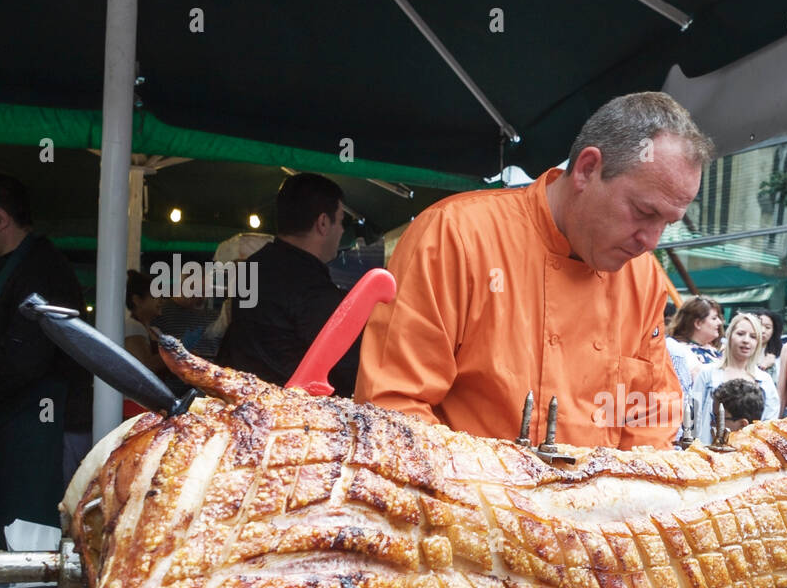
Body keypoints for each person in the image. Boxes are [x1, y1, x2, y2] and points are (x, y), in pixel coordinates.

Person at [357, 93, 712, 449]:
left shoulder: (645, 278)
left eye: (667, 223)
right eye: (643, 212)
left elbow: (649, 419)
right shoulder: (455, 236)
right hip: (468, 499)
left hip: (602, 500)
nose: (651, 241)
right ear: (588, 169)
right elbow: (392, 410)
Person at [0, 174, 86, 540]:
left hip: (45, 421)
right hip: (22, 420)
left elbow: (25, 359)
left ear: (0, 219)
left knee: (34, 541)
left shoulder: (40, 267)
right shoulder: (15, 263)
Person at [221, 173, 358, 396]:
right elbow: (347, 366)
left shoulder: (253, 266)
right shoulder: (311, 285)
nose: (342, 230)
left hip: (240, 399)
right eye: (341, 221)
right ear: (323, 222)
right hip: (287, 414)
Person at [691, 312, 779, 444]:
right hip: (708, 451)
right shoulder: (707, 373)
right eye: (740, 333)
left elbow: (769, 423)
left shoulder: (764, 380)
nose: (746, 340)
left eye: (753, 337)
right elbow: (694, 415)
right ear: (730, 336)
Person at [666, 297, 724, 383]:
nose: (719, 322)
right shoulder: (678, 351)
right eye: (714, 318)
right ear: (698, 323)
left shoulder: (718, 348)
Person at [753, 309, 783, 378]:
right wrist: (763, 366)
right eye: (759, 325)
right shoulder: (743, 352)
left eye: (768, 327)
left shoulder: (780, 355)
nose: (763, 331)